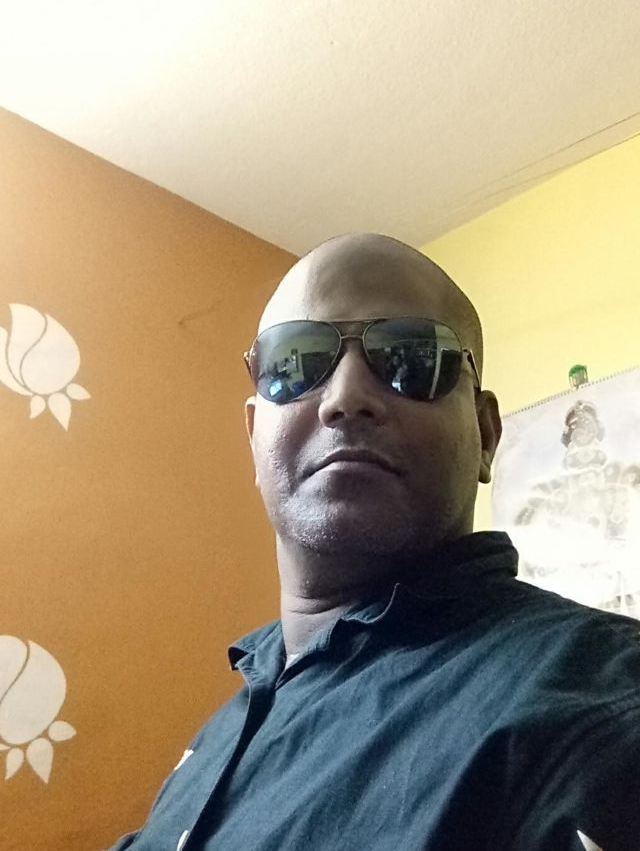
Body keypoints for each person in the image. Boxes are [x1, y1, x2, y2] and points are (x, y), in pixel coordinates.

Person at [108, 234, 640, 851]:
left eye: (411, 357)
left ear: (486, 434)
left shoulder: (595, 706)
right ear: (254, 437)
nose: (346, 398)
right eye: (294, 362)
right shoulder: (224, 729)